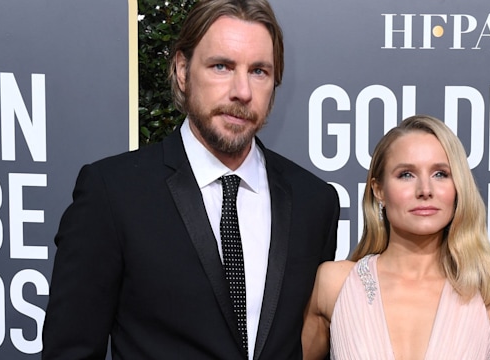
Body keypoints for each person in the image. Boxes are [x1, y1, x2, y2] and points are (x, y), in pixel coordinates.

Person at [42, 1, 340, 359]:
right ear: (182, 71)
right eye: (221, 67)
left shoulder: (313, 201)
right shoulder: (113, 193)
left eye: (259, 71)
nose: (242, 91)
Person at [302, 115, 490, 360]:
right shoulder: (334, 285)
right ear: (379, 190)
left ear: (458, 188)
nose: (425, 190)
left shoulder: (485, 295)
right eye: (406, 174)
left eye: (440, 174)